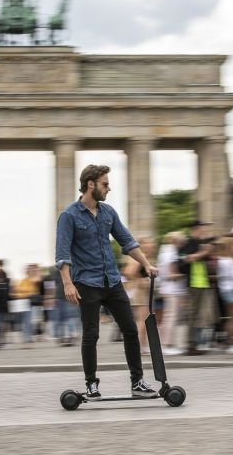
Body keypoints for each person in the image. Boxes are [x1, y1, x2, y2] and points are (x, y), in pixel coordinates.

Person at [56, 164, 159, 400]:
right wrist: (67, 283)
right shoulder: (69, 216)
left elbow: (128, 242)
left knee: (131, 331)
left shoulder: (108, 213)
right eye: (105, 184)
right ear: (90, 184)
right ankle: (91, 385)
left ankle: (138, 383)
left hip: (112, 281)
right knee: (91, 334)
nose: (108, 188)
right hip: (86, 284)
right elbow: (62, 254)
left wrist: (146, 264)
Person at [178, 220, 215, 356]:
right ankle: (190, 345)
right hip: (194, 283)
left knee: (198, 316)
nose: (203, 231)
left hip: (201, 283)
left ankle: (196, 344)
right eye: (201, 229)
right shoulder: (190, 243)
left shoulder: (200, 243)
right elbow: (187, 259)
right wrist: (204, 253)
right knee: (193, 315)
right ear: (195, 229)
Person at [123, 236, 157, 355]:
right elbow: (128, 271)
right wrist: (139, 280)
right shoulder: (139, 256)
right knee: (142, 320)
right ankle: (139, 347)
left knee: (141, 320)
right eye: (149, 242)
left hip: (141, 292)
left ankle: (139, 346)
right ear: (142, 244)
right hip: (140, 292)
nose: (152, 245)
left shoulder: (143, 256)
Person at [156, 231, 187, 356]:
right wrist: (184, 275)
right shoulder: (171, 253)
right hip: (173, 289)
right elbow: (171, 275)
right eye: (181, 241)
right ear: (176, 241)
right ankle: (168, 345)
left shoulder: (165, 252)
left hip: (168, 289)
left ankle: (168, 344)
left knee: (169, 317)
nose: (182, 243)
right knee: (171, 318)